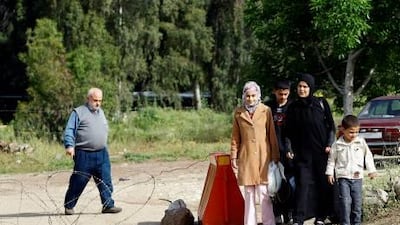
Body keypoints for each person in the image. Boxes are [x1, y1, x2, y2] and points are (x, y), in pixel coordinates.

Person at [284, 73, 336, 225]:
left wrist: (329, 144)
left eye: (305, 86)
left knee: (323, 184)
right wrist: (288, 148)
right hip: (302, 154)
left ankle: (321, 216)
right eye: (300, 86)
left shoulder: (321, 103)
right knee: (302, 184)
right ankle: (299, 218)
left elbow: (331, 127)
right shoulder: (293, 107)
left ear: (311, 88)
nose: (302, 89)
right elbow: (287, 132)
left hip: (321, 152)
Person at [63, 87, 122, 215]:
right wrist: (69, 146)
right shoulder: (78, 112)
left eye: (100, 101)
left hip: (101, 153)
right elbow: (69, 130)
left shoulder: (101, 112)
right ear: (88, 98)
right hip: (84, 154)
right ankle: (69, 206)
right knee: (78, 181)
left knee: (105, 181)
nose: (98, 103)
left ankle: (108, 205)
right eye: (95, 100)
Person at [231, 81, 280, 225]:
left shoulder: (266, 110)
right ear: (243, 96)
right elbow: (235, 137)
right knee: (249, 194)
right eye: (248, 96)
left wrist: (275, 156)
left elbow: (271, 134)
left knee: (264, 193)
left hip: (264, 157)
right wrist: (234, 155)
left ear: (258, 96)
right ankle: (250, 222)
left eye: (253, 96)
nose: (250, 99)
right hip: (246, 159)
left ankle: (268, 222)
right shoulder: (239, 113)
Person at [326, 115, 377, 225]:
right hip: (343, 177)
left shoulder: (361, 142)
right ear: (343, 130)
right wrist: (330, 173)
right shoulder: (337, 145)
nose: (354, 135)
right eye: (351, 132)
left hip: (357, 178)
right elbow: (331, 160)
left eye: (356, 132)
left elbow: (368, 156)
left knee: (357, 204)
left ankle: (357, 222)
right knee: (345, 202)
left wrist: (371, 170)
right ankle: (345, 222)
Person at [265, 80, 295, 224]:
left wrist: (290, 148)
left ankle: (289, 213)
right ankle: (277, 214)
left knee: (288, 184)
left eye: (285, 94)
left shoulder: (293, 107)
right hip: (272, 151)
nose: (283, 96)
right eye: (280, 94)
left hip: (288, 152)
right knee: (273, 185)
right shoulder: (267, 107)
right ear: (274, 92)